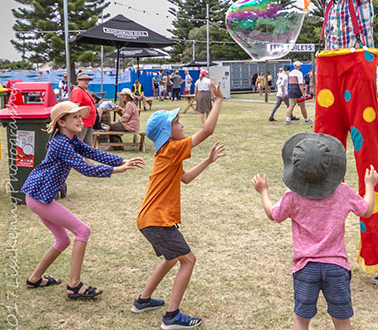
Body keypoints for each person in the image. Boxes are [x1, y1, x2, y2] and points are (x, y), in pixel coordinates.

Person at [299, 0, 378, 283]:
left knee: (367, 159)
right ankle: (324, 252)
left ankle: (377, 255)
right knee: (322, 160)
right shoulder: (327, 2)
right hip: (328, 76)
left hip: (357, 72)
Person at [252, 132, 377, 330]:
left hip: (305, 267)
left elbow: (273, 214)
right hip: (336, 266)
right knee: (342, 321)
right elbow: (367, 210)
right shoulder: (343, 192)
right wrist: (369, 186)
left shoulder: (292, 197)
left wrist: (264, 191)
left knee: (301, 320)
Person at [20, 101, 144, 299]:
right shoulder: (61, 143)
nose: (80, 120)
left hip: (38, 196)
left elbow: (92, 153)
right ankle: (74, 285)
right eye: (75, 117)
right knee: (82, 230)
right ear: (61, 122)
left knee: (62, 240)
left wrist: (121, 160)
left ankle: (34, 279)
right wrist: (115, 169)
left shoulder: (71, 140)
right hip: (39, 198)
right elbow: (84, 168)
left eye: (80, 116)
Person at [133, 83, 225, 328]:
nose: (181, 124)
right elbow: (207, 130)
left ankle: (142, 301)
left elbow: (185, 178)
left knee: (173, 259)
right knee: (188, 260)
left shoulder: (168, 152)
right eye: (176, 122)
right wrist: (218, 100)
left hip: (150, 220)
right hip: (157, 220)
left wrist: (207, 161)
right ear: (168, 132)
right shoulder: (171, 149)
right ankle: (171, 317)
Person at [70, 72, 97, 146]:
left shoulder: (84, 90)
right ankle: (74, 157)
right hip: (82, 122)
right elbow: (75, 107)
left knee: (88, 144)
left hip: (89, 122)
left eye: (88, 80)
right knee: (78, 143)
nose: (87, 81)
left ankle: (87, 158)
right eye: (84, 80)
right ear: (78, 81)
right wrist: (78, 121)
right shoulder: (77, 91)